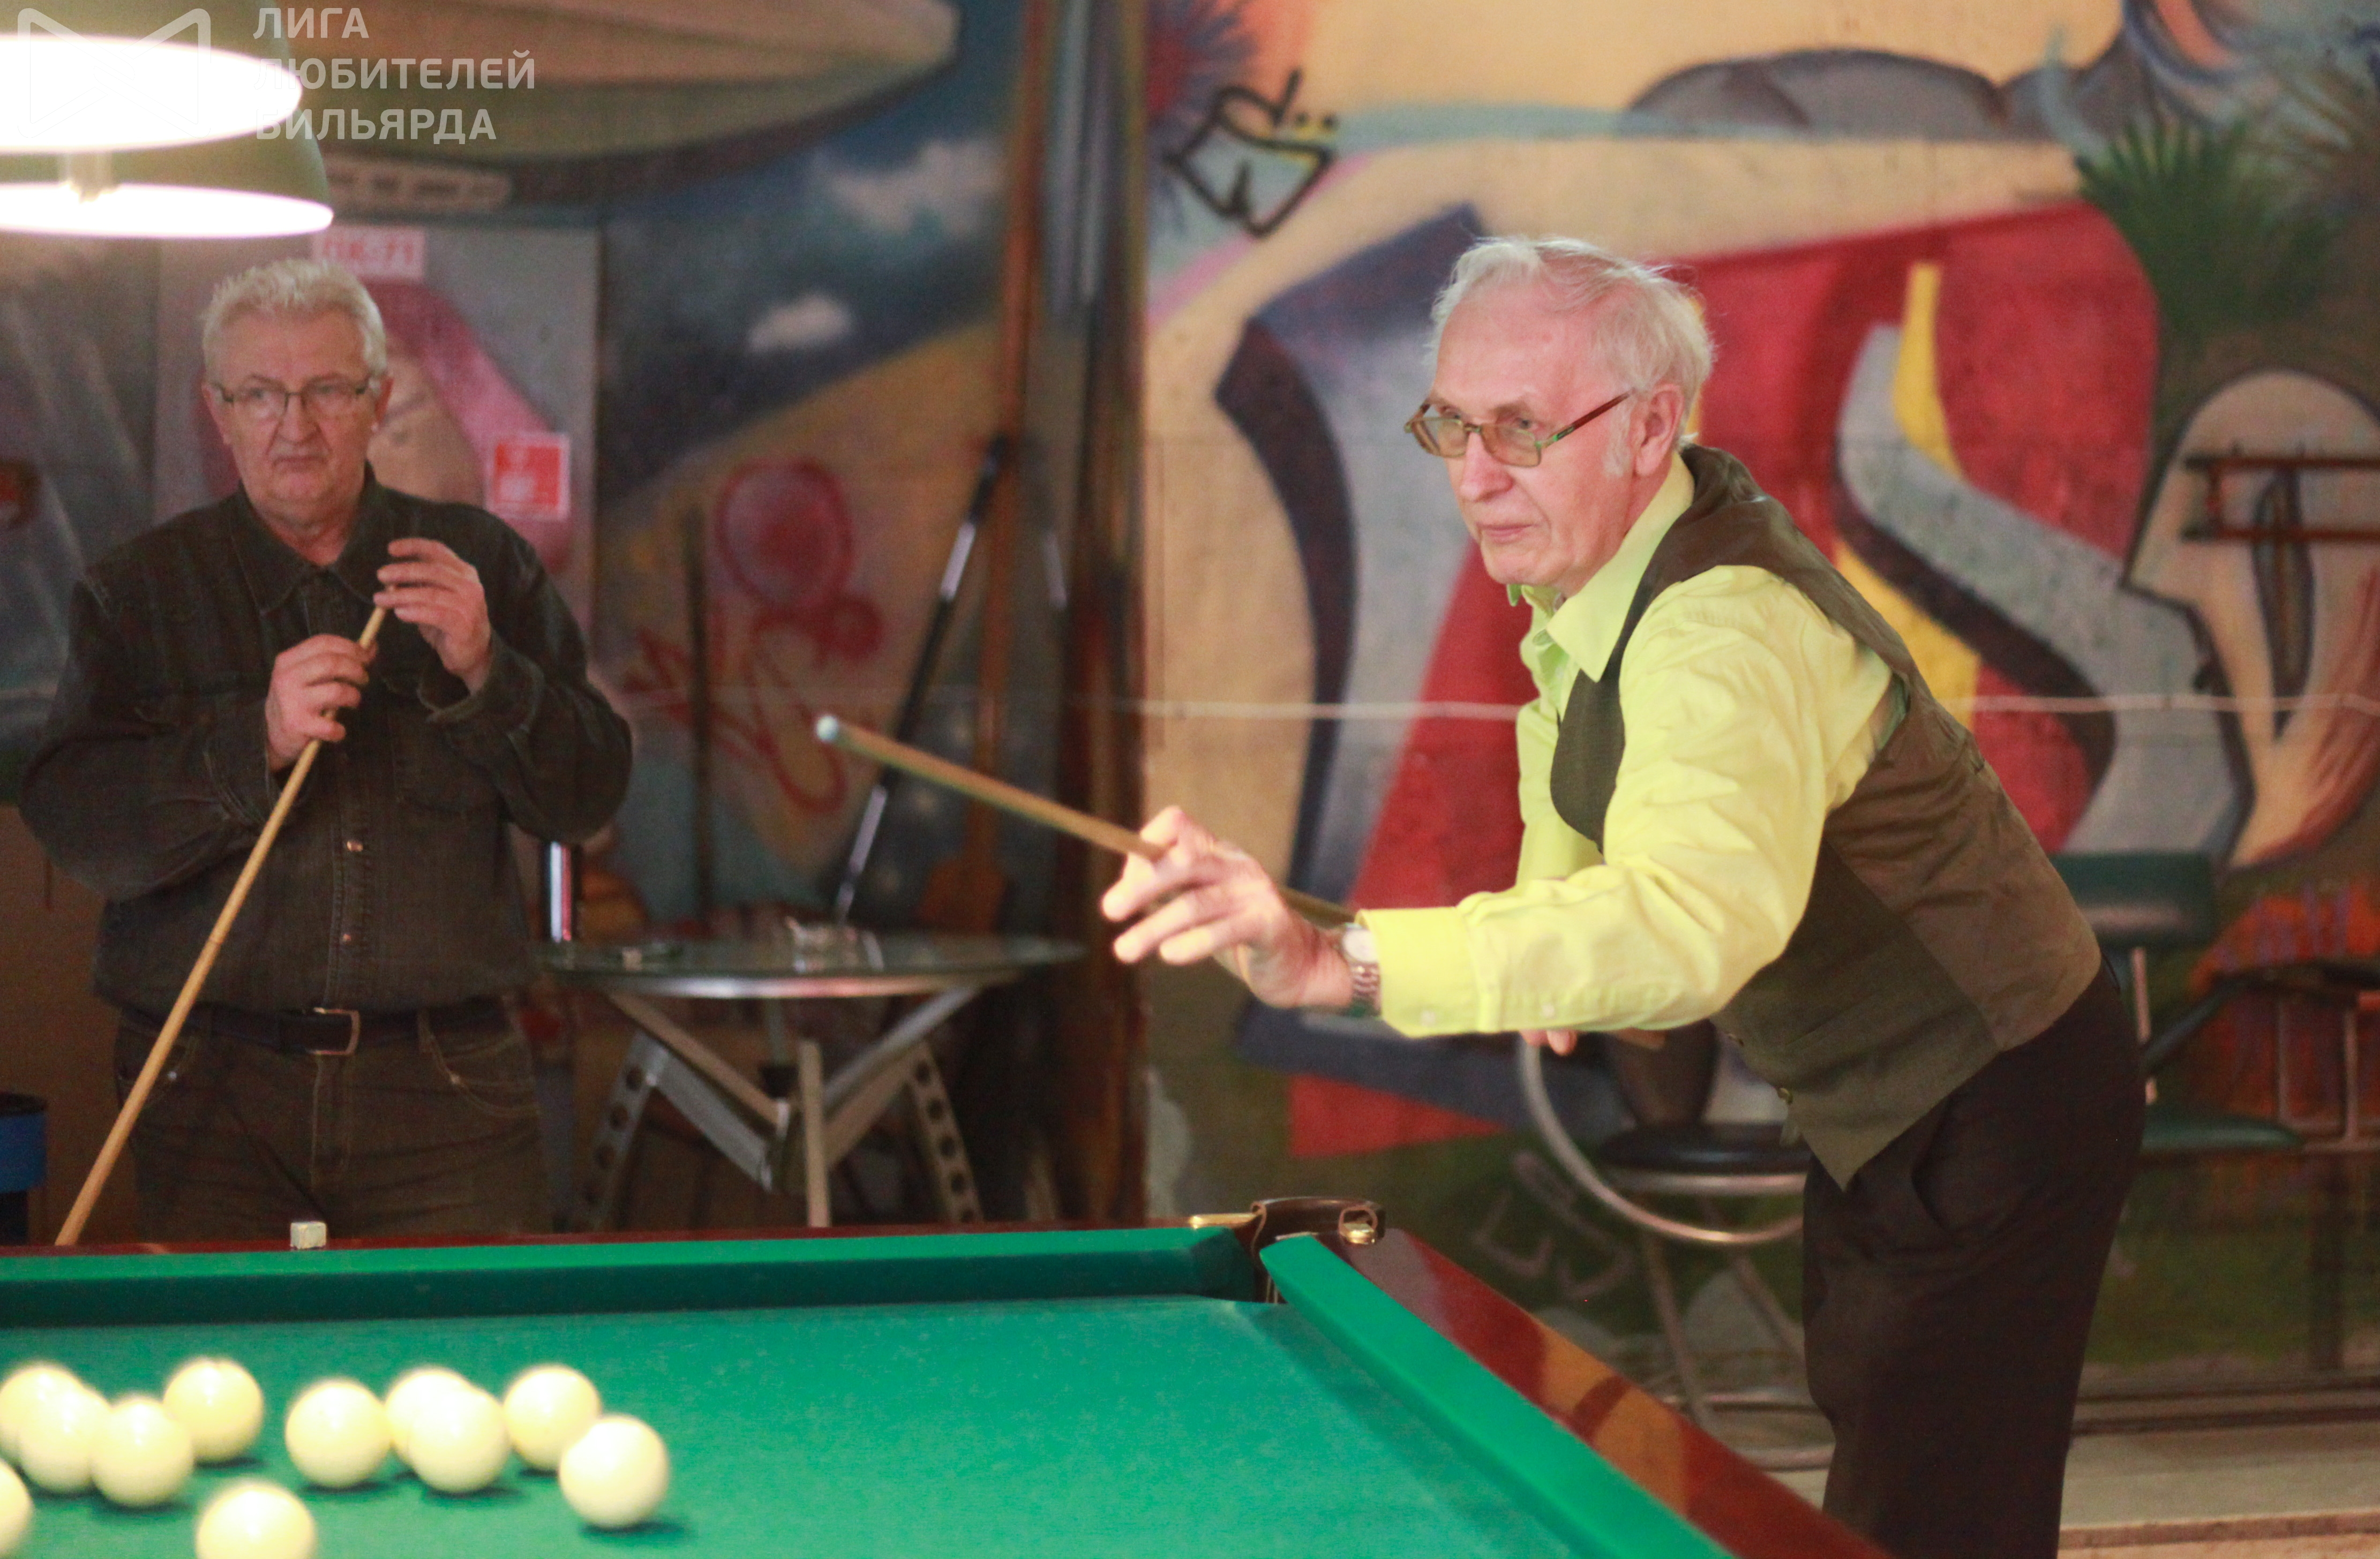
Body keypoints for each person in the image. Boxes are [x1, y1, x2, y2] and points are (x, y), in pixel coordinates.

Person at [1102, 236, 2142, 1559]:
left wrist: (1333, 959)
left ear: (1650, 428)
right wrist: (1546, 939)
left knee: (1928, 1516)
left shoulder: (1718, 629)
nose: (1474, 474)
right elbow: (1587, 846)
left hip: (1999, 1089)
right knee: (1892, 1466)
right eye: (1451, 424)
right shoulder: (1592, 586)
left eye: (1521, 429)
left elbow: (1682, 929)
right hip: (1902, 1099)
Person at [22, 258, 631, 1241]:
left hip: (446, 1095)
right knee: (218, 1343)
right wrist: (251, 743)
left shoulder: (482, 566)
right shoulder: (137, 591)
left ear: (378, 401)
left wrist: (488, 670)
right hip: (209, 1085)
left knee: (473, 1340)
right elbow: (81, 828)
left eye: (328, 391)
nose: (294, 425)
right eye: (261, 394)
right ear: (219, 411)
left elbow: (588, 794)